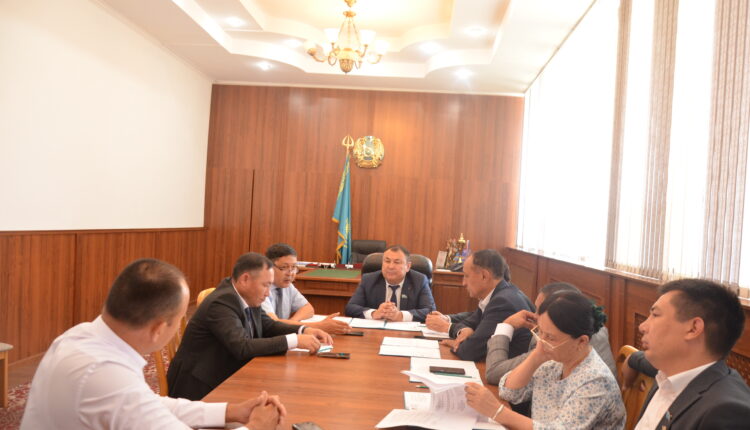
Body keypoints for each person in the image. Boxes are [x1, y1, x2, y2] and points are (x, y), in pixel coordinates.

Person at [21, 258, 286, 430]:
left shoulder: (81, 335)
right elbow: (132, 400)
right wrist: (255, 428)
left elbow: (148, 404)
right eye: (179, 320)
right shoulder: (106, 376)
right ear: (159, 328)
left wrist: (231, 411)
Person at [167, 252, 332, 401]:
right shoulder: (221, 302)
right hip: (199, 386)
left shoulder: (248, 295)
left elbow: (269, 325)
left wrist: (304, 330)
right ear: (245, 279)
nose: (268, 293)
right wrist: (295, 340)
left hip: (227, 373)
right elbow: (242, 346)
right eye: (265, 285)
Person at [465, 291, 626, 429]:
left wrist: (497, 411)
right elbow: (509, 392)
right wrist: (536, 356)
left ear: (581, 341)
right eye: (540, 331)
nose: (541, 341)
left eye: (550, 337)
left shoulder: (596, 380)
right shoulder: (554, 360)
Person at [629, 279, 750, 429]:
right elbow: (643, 362)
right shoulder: (670, 372)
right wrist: (631, 359)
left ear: (693, 328)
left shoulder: (726, 412)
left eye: (655, 314)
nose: (642, 326)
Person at [485, 282, 617, 384]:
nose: (534, 316)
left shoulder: (561, 342)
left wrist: (506, 326)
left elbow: (495, 373)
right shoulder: (583, 326)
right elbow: (509, 388)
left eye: (541, 311)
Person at [425, 249, 534, 362]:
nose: (463, 283)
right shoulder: (500, 294)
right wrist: (464, 330)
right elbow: (471, 321)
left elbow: (469, 352)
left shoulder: (503, 303)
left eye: (466, 276)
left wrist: (457, 344)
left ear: (484, 276)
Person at [262, 243, 350, 334]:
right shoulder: (262, 289)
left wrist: (292, 322)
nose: (290, 273)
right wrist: (319, 326)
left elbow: (308, 308)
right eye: (284, 267)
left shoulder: (288, 285)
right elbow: (273, 323)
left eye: (293, 267)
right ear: (269, 267)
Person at [345, 245, 436, 322]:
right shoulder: (369, 280)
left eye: (397, 262)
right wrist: (374, 313)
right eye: (387, 261)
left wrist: (400, 315)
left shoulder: (419, 281)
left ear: (408, 266)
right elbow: (350, 308)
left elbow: (431, 311)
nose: (391, 266)